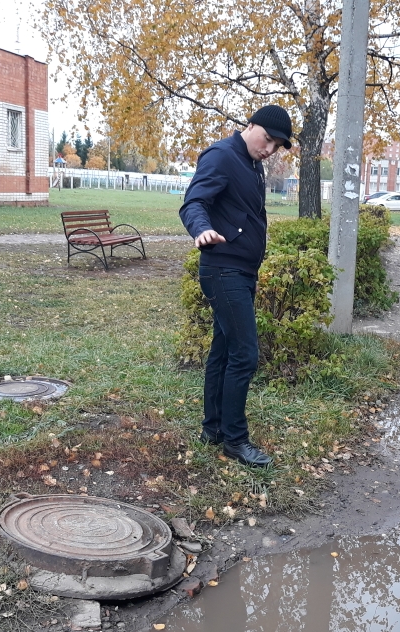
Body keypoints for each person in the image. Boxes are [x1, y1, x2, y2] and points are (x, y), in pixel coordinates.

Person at [179, 105, 293, 467]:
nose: (270, 150)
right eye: (269, 140)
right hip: (223, 268)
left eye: (277, 146)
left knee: (224, 351)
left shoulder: (253, 165)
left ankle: (213, 429)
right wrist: (201, 229)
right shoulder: (222, 155)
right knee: (245, 354)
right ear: (252, 126)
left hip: (242, 270)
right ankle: (235, 440)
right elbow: (194, 201)